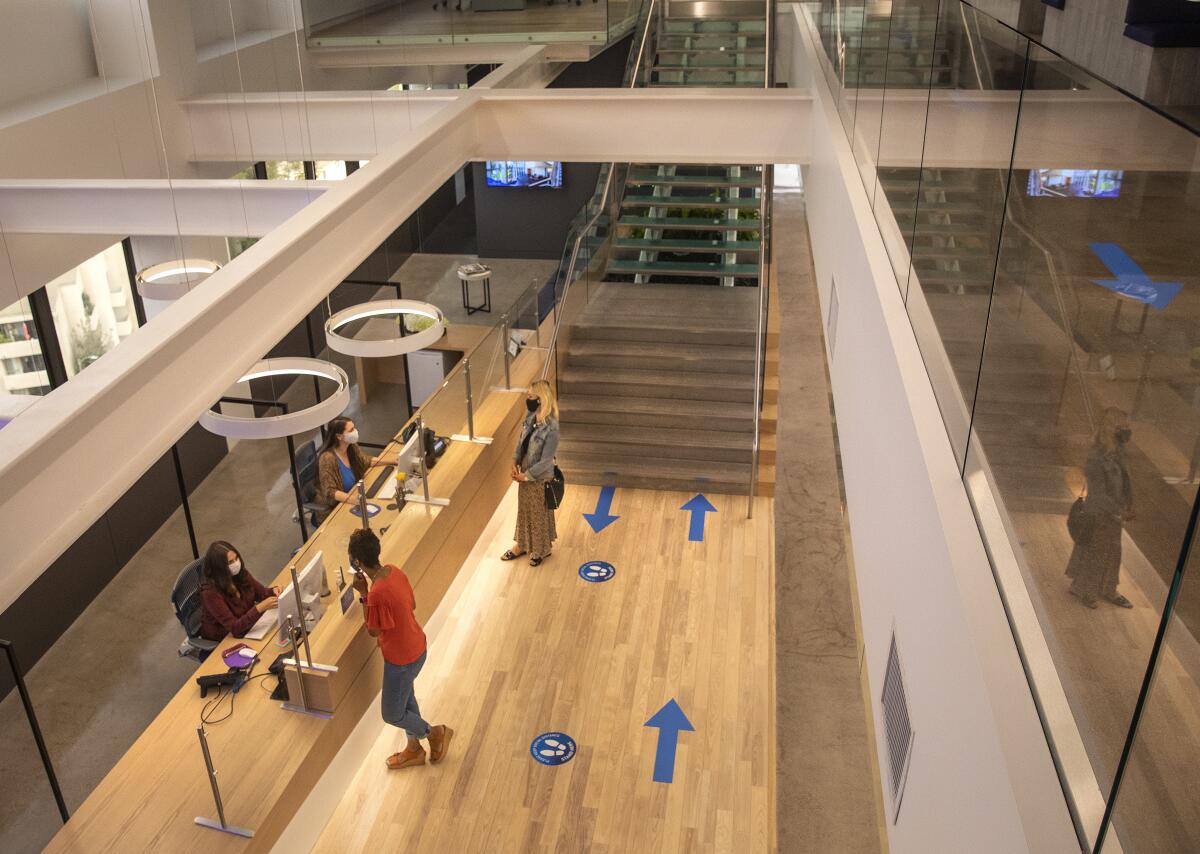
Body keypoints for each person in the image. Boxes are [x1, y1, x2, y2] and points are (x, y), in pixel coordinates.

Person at [349, 527, 453, 770]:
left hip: (401, 659)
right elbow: (412, 604)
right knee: (407, 699)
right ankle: (413, 748)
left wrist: (364, 594)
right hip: (418, 646)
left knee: (392, 714)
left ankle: (433, 732)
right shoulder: (395, 571)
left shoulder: (375, 594)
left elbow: (373, 630)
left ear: (358, 562)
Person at [1066, 407, 1135, 610]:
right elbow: (1098, 494)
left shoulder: (1118, 453)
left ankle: (1107, 588)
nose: (1127, 431)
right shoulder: (1096, 458)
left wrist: (1128, 504)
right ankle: (1085, 588)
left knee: (1113, 552)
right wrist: (1118, 510)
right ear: (1112, 428)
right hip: (1100, 515)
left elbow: (1124, 481)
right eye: (1123, 426)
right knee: (1095, 552)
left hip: (1113, 514)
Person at [501, 378, 560, 567]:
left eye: (531, 396)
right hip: (525, 475)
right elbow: (521, 444)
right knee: (525, 511)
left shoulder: (552, 428)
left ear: (541, 399)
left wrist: (526, 476)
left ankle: (540, 549)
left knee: (538, 514)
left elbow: (546, 461)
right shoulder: (529, 419)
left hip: (539, 478)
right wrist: (514, 461)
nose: (528, 399)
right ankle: (523, 544)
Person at [198, 541, 280, 641]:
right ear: (220, 568)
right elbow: (235, 628)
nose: (236, 564)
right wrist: (259, 608)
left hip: (247, 625)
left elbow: (261, 593)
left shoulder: (239, 574)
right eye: (230, 562)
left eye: (236, 558)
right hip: (225, 638)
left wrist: (273, 591)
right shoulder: (210, 593)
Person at [316, 417, 381, 512]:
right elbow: (330, 492)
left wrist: (393, 460)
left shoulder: (351, 446)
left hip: (354, 494)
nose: (355, 431)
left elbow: (365, 461)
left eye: (354, 428)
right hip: (338, 507)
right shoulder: (327, 458)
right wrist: (357, 500)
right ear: (339, 436)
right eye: (351, 430)